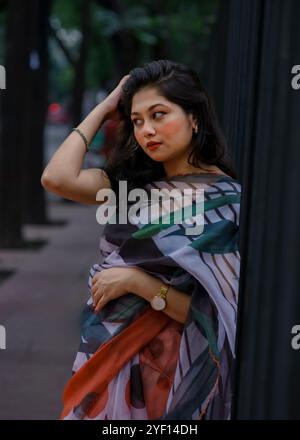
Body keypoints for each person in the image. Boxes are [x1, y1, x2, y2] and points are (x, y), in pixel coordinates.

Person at [41, 59, 241, 420]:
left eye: (159, 114)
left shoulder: (226, 203)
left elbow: (216, 317)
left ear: (194, 117)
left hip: (174, 375)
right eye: (136, 120)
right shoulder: (131, 188)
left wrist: (140, 284)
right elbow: (56, 178)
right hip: (108, 361)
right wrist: (105, 108)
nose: (147, 129)